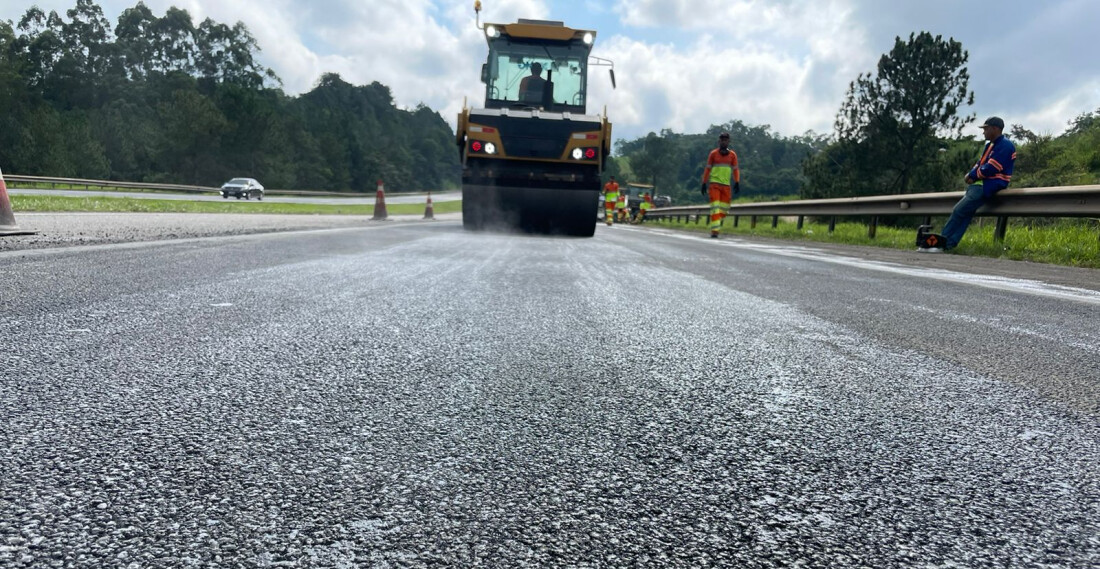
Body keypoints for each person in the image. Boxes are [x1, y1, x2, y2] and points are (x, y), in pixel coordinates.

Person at [923, 117, 1016, 253]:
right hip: (979, 185)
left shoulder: (1005, 145)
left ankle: (940, 243)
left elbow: (991, 168)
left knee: (959, 210)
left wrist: (972, 175)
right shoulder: (990, 145)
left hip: (988, 185)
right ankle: (948, 245)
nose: (983, 132)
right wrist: (971, 174)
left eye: (986, 129)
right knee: (965, 213)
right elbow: (979, 163)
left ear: (995, 129)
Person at [700, 132, 740, 238]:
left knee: (724, 209)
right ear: (719, 141)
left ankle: (716, 223)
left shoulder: (732, 155)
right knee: (715, 208)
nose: (723, 142)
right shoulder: (713, 154)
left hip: (726, 186)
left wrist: (737, 181)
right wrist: (704, 182)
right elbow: (707, 169)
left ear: (728, 141)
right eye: (722, 140)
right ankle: (715, 231)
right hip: (714, 185)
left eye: (725, 140)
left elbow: (735, 169)